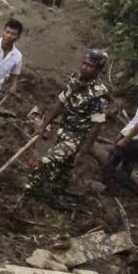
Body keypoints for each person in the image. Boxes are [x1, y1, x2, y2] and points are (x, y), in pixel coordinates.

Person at [27, 49, 111, 199]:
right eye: (84, 63)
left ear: (98, 70)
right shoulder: (75, 80)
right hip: (63, 131)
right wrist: (43, 125)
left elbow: (96, 125)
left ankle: (29, 192)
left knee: (45, 161)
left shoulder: (99, 94)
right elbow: (60, 103)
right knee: (63, 170)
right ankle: (53, 196)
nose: (85, 67)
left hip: (77, 138)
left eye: (90, 66)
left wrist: (83, 151)